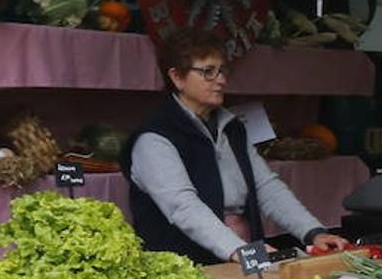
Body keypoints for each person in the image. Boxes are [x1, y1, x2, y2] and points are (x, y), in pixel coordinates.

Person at [121, 29, 350, 264]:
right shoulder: (154, 139)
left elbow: (267, 187)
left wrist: (313, 232)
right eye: (208, 72)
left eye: (222, 70)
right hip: (186, 267)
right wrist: (239, 250)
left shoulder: (232, 128)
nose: (221, 80)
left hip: (241, 259)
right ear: (177, 77)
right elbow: (184, 208)